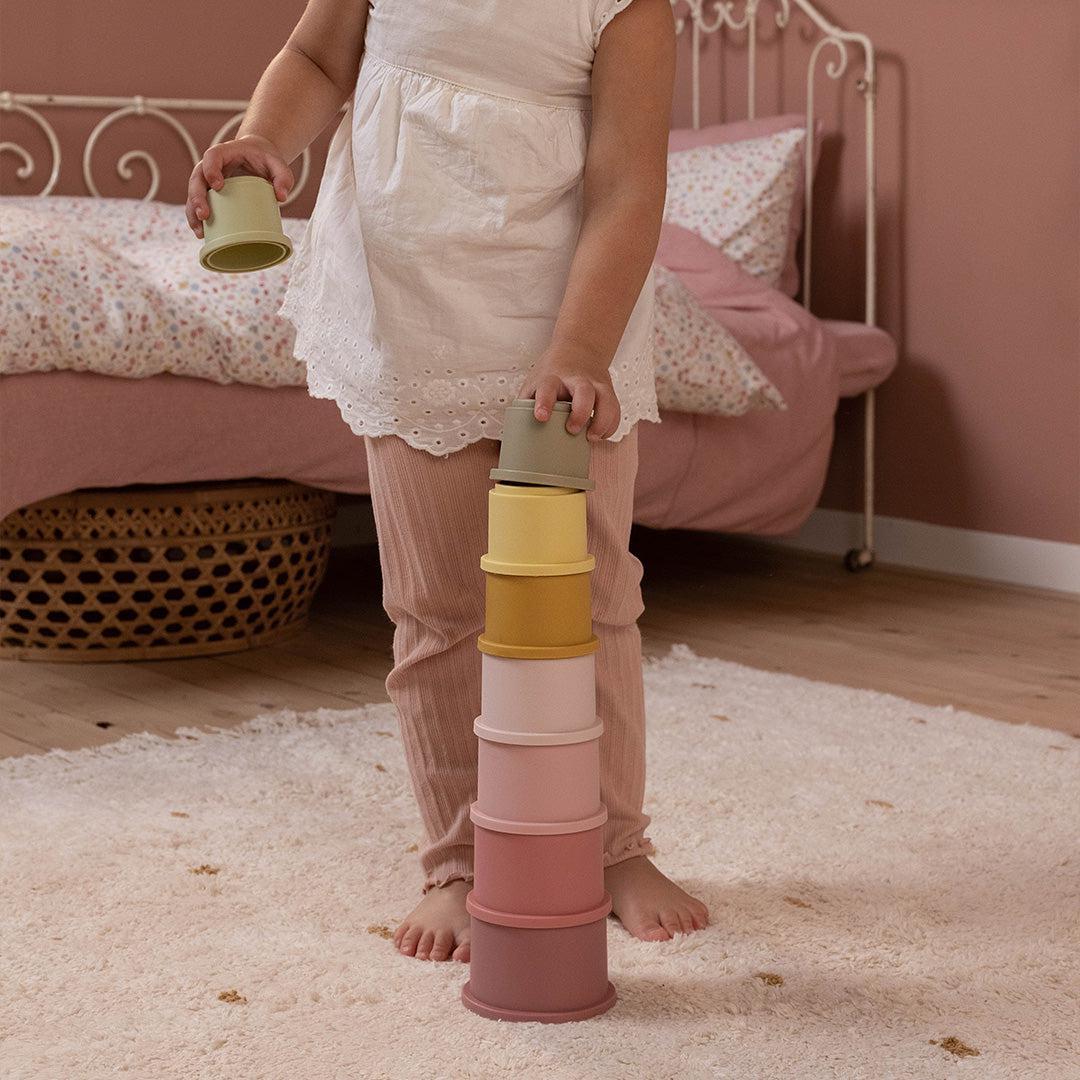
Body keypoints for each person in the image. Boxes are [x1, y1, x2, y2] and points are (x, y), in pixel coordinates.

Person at [186, 0, 709, 963]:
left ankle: (614, 845)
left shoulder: (628, 7)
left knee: (592, 601)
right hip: (413, 316)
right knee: (441, 607)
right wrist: (262, 138)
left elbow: (629, 186)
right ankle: (462, 859)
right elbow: (316, 59)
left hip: (567, 324)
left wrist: (581, 346)